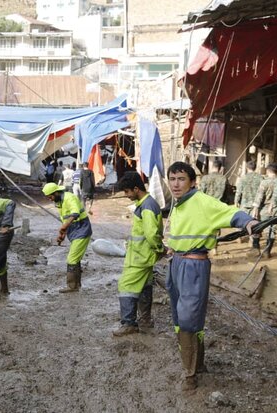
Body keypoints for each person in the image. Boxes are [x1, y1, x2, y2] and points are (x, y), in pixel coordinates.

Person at [165, 162, 258, 391]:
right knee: (180, 317)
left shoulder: (202, 201)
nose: (176, 184)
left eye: (181, 179)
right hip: (176, 263)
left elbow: (230, 212)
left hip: (194, 266)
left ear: (192, 182)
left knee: (188, 317)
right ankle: (197, 364)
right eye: (172, 179)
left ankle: (190, 375)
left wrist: (248, 222)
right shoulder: (178, 204)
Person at [113, 172, 164, 337]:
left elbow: (151, 234)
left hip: (140, 257)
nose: (126, 196)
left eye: (127, 192)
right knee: (144, 286)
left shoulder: (147, 206)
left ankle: (129, 323)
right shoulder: (147, 203)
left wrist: (160, 249)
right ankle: (145, 320)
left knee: (126, 286)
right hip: (143, 255)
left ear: (136, 189)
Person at [42, 182, 92, 293]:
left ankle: (72, 286)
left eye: (50, 196)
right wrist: (62, 234)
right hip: (73, 230)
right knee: (75, 258)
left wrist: (64, 226)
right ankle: (76, 284)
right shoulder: (59, 202)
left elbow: (75, 214)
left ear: (55, 193)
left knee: (72, 259)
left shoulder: (69, 198)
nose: (50, 199)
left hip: (82, 229)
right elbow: (66, 219)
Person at [235, 161, 263, 254]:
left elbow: (238, 191)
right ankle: (253, 242)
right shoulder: (261, 178)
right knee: (255, 224)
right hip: (256, 205)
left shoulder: (243, 178)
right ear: (255, 167)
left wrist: (236, 202)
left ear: (247, 168)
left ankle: (239, 237)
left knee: (242, 222)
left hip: (245, 204)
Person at [252, 163, 277, 258]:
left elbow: (259, 196)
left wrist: (255, 208)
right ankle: (267, 251)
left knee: (257, 228)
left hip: (264, 209)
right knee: (271, 231)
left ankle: (256, 248)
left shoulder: (265, 182)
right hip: (276, 210)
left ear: (268, 171)